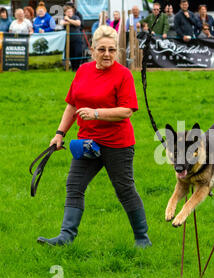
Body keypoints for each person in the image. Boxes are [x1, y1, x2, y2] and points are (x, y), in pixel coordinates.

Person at [37, 25, 151, 248]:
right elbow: (72, 104)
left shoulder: (124, 75)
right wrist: (59, 133)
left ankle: (142, 239)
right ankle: (66, 237)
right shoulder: (83, 71)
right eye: (102, 49)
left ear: (117, 51)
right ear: (93, 51)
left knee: (125, 189)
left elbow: (127, 110)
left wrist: (96, 113)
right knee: (74, 185)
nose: (107, 54)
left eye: (111, 49)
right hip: (88, 142)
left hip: (117, 143)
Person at [60, 6, 82, 71]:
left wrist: (69, 20)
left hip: (77, 38)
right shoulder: (63, 18)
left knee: (78, 52)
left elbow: (78, 23)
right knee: (70, 54)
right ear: (65, 13)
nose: (70, 13)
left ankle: (77, 67)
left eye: (71, 11)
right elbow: (62, 23)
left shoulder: (76, 17)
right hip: (68, 40)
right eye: (68, 12)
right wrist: (71, 22)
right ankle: (73, 68)